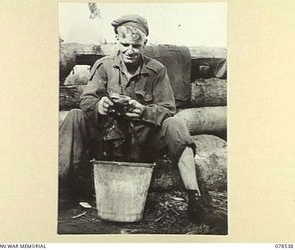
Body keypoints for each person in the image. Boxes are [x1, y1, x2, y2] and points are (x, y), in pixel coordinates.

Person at [59, 15, 213, 224]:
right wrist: (100, 105)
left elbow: (168, 108)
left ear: (144, 44)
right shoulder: (103, 66)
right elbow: (86, 100)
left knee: (176, 123)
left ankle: (195, 199)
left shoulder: (156, 70)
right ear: (116, 41)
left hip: (142, 142)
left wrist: (143, 111)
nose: (130, 50)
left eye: (136, 45)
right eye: (125, 44)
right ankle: (62, 189)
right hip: (107, 138)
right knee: (75, 116)